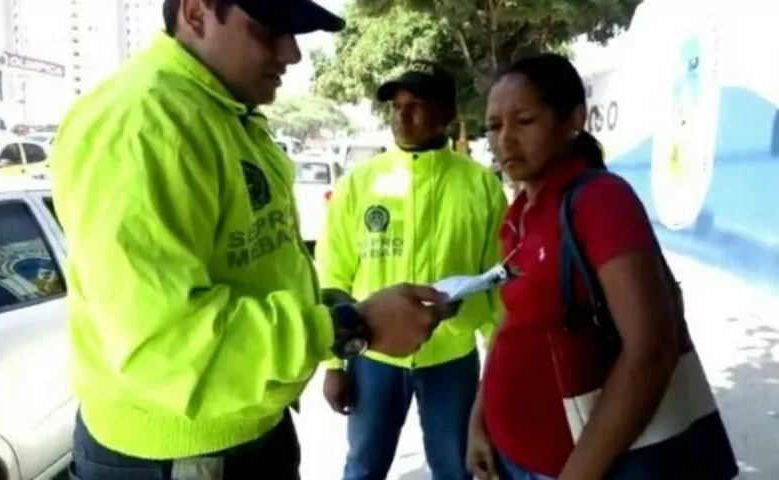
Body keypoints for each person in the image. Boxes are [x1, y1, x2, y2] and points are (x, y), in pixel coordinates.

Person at [51, 1, 459, 479]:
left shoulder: (222, 113)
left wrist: (331, 308)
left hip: (244, 426)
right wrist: (349, 325)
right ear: (198, 12)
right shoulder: (142, 124)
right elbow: (164, 345)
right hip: (181, 453)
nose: (292, 54)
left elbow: (247, 269)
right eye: (270, 30)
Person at [466, 53, 738, 480]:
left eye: (524, 121)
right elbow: (512, 323)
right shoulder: (520, 211)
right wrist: (479, 421)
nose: (505, 141)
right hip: (513, 458)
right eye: (494, 126)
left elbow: (650, 351)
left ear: (573, 120)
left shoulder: (599, 201)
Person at [318, 63, 507, 480]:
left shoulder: (480, 186)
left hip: (452, 359)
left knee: (456, 468)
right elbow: (334, 273)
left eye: (416, 106)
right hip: (374, 355)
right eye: (396, 106)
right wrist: (333, 365)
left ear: (447, 116)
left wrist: (499, 364)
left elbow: (497, 281)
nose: (402, 116)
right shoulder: (360, 183)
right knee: (363, 466)